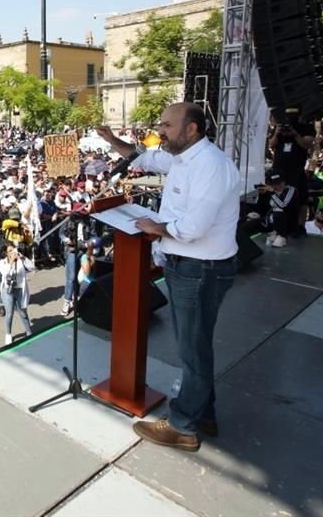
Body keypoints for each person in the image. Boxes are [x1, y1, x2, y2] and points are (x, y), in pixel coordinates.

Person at [96, 102, 240, 452]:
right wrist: (113, 140)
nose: (160, 130)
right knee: (196, 345)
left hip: (199, 270)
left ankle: (182, 426)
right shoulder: (181, 157)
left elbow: (193, 228)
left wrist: (155, 227)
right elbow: (142, 157)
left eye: (166, 125)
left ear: (191, 129)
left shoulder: (210, 166)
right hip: (190, 267)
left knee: (192, 350)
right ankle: (203, 412)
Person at [0, 243, 34, 345]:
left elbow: (32, 267)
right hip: (7, 290)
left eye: (14, 250)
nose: (13, 252)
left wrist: (23, 258)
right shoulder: (2, 263)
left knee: (23, 312)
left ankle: (29, 331)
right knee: (9, 314)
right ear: (6, 253)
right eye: (10, 251)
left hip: (19, 289)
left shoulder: (21, 261)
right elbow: (5, 273)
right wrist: (12, 261)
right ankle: (8, 335)